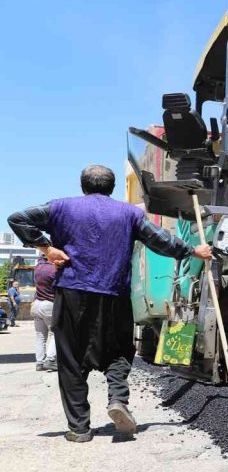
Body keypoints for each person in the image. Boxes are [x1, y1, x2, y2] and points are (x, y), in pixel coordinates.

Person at [8, 165, 213, 443]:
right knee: (118, 349)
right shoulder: (129, 213)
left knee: (71, 357)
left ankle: (79, 428)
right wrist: (192, 250)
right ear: (112, 188)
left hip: (73, 293)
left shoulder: (60, 207)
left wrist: (46, 247)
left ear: (83, 186)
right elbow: (159, 240)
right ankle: (118, 398)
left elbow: (17, 218)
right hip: (114, 293)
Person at [32, 257, 58, 371]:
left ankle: (39, 362)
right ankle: (50, 360)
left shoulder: (37, 268)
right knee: (55, 334)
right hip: (49, 305)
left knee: (40, 336)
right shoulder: (53, 269)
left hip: (37, 304)